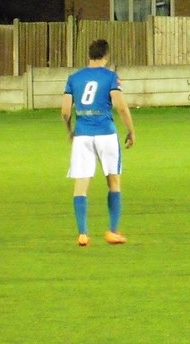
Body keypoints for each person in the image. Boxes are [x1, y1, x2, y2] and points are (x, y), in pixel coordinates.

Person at [60, 39, 136, 247]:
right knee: (113, 181)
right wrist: (131, 130)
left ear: (89, 55)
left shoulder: (74, 78)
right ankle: (112, 231)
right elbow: (120, 107)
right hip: (106, 135)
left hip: (83, 135)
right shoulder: (111, 77)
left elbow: (65, 112)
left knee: (81, 185)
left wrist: (70, 131)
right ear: (106, 56)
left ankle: (83, 234)